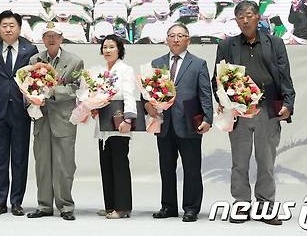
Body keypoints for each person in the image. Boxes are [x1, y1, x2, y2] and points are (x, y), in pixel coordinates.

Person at [213, 0, 295, 225]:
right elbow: (217, 78)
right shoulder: (227, 45)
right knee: (239, 162)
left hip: (268, 109)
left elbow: (284, 76)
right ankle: (241, 205)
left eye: (249, 15)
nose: (245, 19)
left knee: (266, 161)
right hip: (239, 112)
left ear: (258, 17)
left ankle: (266, 206)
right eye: (240, 16)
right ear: (236, 20)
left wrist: (288, 103)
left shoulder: (275, 43)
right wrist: (223, 100)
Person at [146, 23, 213, 222]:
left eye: (180, 35)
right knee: (166, 168)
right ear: (166, 39)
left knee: (192, 168)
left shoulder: (198, 63)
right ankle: (168, 206)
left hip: (190, 124)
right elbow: (147, 93)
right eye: (172, 35)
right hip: (164, 124)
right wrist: (147, 107)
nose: (176, 39)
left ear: (188, 40)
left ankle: (191, 207)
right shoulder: (156, 63)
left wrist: (208, 118)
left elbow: (205, 94)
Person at [27, 23, 84, 221]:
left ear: (61, 38)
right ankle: (44, 205)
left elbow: (76, 89)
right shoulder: (34, 60)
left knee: (64, 165)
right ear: (42, 39)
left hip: (63, 119)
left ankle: (66, 206)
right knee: (42, 164)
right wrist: (31, 99)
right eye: (47, 36)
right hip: (41, 120)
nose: (51, 39)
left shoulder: (75, 61)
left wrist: (52, 91)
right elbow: (27, 86)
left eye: (55, 36)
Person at [0, 11, 38, 216]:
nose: (8, 29)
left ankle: (16, 202)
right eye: (4, 25)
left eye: (12, 25)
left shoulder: (29, 50)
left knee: (20, 158)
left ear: (19, 28)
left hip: (21, 112)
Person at [94, 34, 138, 219]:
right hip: (104, 125)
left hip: (119, 123)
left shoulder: (125, 70)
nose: (107, 50)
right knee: (106, 164)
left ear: (119, 49)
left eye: (111, 47)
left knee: (119, 165)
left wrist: (128, 120)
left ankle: (122, 207)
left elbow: (128, 95)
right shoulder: (102, 71)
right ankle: (110, 205)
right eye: (105, 47)